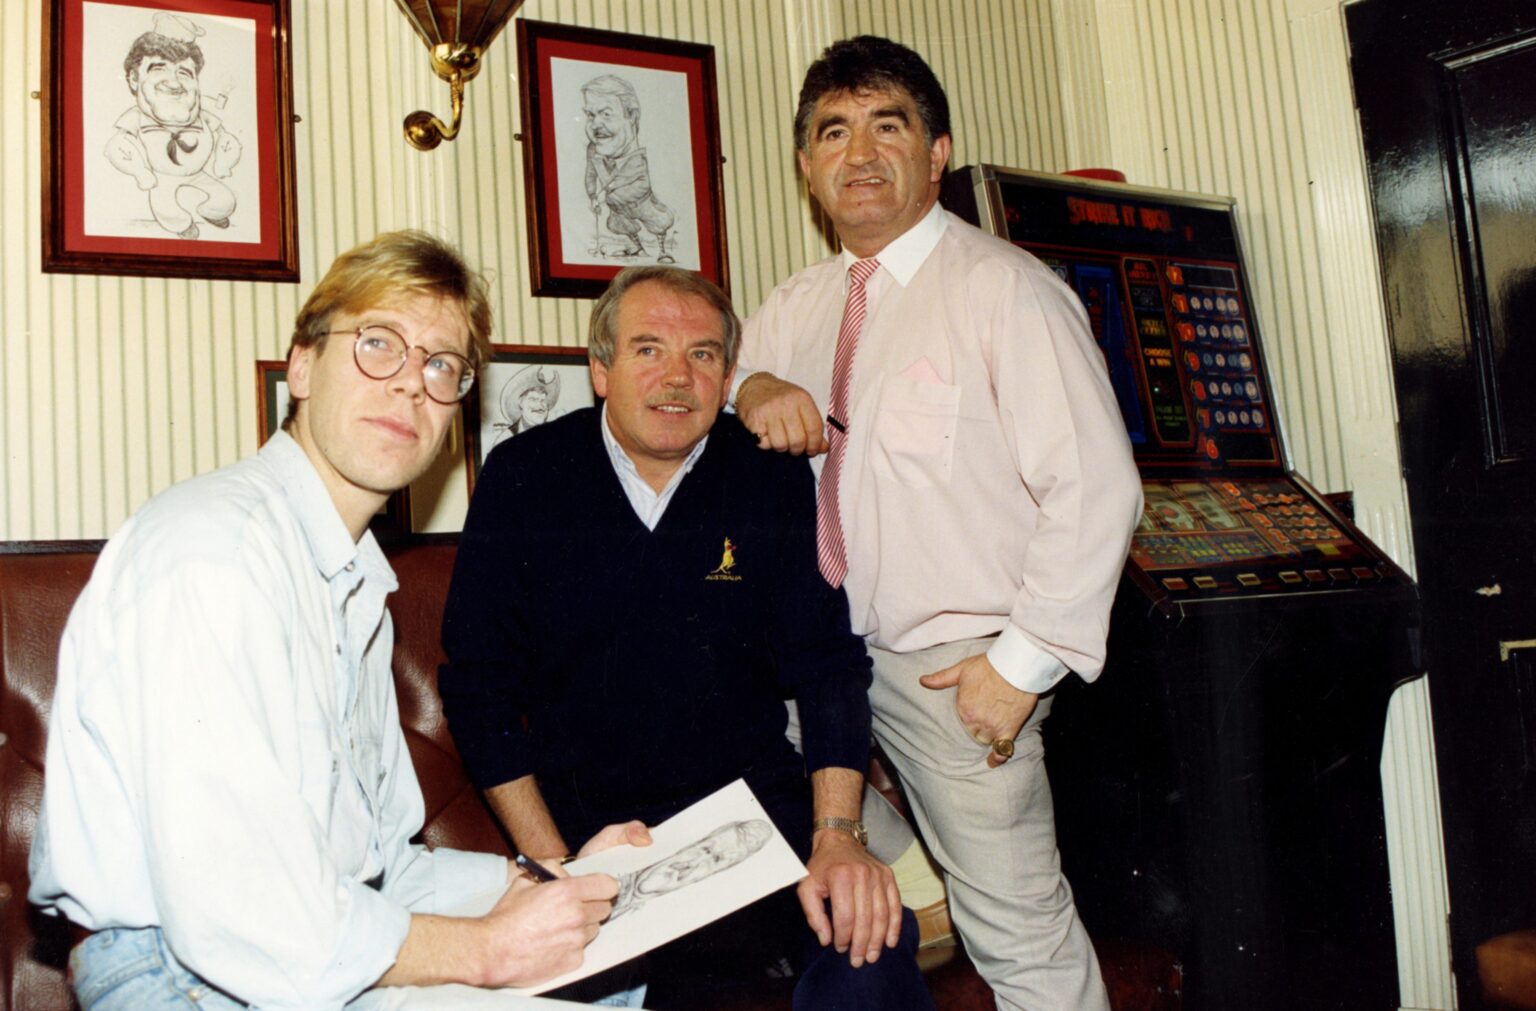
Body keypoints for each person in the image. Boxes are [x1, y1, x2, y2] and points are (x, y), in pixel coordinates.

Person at [28, 231, 648, 1011]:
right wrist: (491, 949)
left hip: (297, 948)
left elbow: (388, 868)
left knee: (613, 972)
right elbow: (247, 911)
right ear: (302, 365)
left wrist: (556, 881)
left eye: (441, 365)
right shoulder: (215, 550)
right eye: (379, 343)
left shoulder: (355, 583)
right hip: (181, 977)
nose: (411, 385)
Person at [733, 36, 1144, 1011]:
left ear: (937, 151)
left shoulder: (1004, 290)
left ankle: (945, 886)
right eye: (834, 132)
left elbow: (1097, 490)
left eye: (889, 127)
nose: (860, 154)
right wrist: (748, 385)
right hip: (820, 669)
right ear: (805, 166)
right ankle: (918, 880)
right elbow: (714, 414)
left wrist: (1020, 666)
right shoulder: (792, 308)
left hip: (953, 671)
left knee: (1024, 943)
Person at [440, 265, 934, 1010]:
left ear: (730, 374)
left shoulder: (767, 478)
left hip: (756, 820)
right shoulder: (524, 477)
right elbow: (479, 690)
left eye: (702, 355)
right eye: (647, 350)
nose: (677, 377)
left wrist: (839, 834)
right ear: (600, 369)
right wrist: (552, 865)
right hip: (592, 834)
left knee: (870, 950)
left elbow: (828, 663)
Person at [106, 11, 241, 240]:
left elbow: (227, 140)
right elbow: (118, 146)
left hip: (199, 174)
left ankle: (213, 213)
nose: (175, 81)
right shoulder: (135, 119)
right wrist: (140, 172)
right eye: (159, 69)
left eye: (184, 72)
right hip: (162, 178)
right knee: (168, 213)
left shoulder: (201, 115)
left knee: (226, 201)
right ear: (134, 79)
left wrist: (224, 163)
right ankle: (182, 227)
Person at [582, 75, 675, 261]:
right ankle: (637, 248)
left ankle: (663, 251)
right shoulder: (594, 150)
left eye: (606, 114)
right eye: (590, 115)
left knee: (658, 222)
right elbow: (590, 175)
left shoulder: (646, 155)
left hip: (642, 203)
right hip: (616, 206)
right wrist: (592, 195)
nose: (595, 124)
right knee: (619, 225)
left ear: (631, 115)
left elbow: (628, 177)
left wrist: (604, 193)